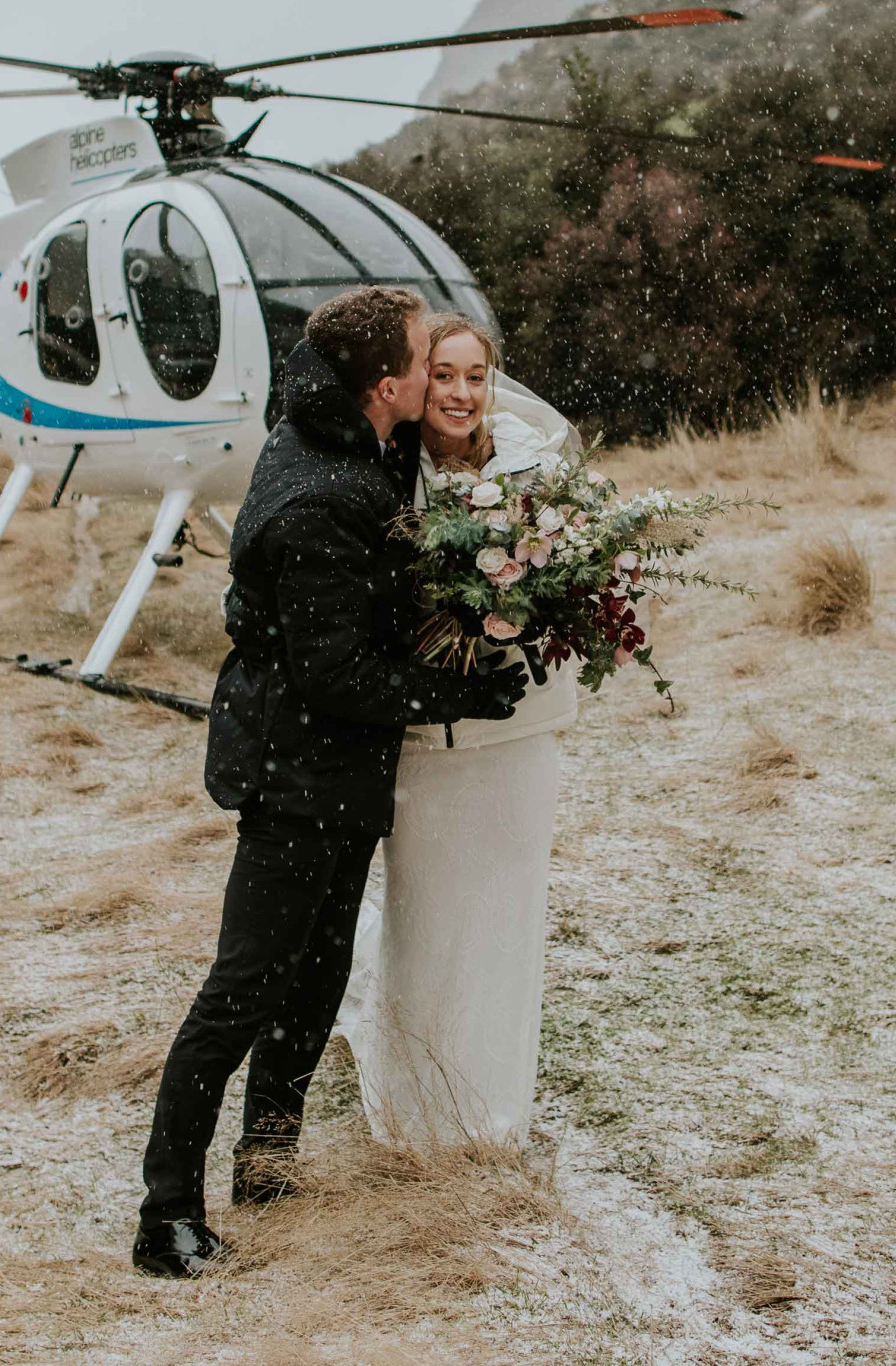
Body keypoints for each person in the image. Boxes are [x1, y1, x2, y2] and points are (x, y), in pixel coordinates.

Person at [132, 286, 529, 1280]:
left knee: (312, 977)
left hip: (338, 769)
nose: (437, 366)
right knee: (242, 987)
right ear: (385, 382)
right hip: (294, 770)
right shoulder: (323, 494)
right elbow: (334, 675)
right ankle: (165, 1212)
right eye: (420, 357)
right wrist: (462, 687)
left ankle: (265, 1159)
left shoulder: (344, 441)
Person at [334, 314, 579, 1148]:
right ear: (414, 380)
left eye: (476, 375)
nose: (462, 393)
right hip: (427, 749)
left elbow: (577, 594)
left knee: (507, 922)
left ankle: (494, 1107)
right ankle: (416, 1108)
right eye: (443, 374)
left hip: (514, 741)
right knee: (429, 921)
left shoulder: (537, 472)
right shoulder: (384, 475)